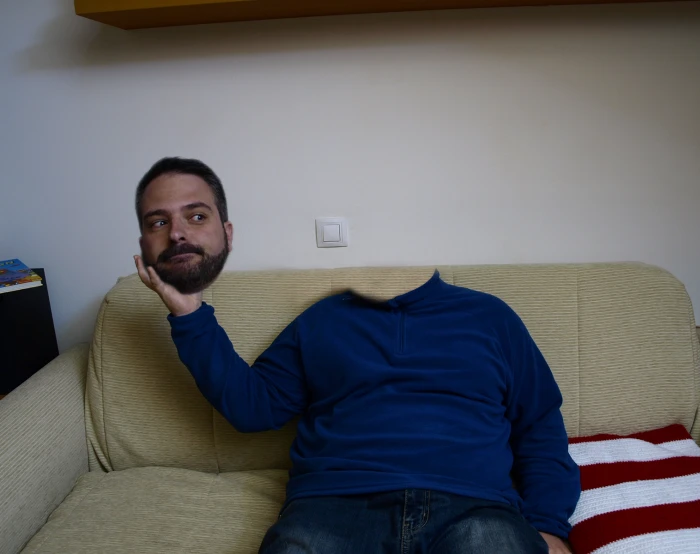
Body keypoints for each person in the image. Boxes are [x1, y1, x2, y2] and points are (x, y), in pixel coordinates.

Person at [134, 157, 580, 554]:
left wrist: (548, 525)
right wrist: (189, 313)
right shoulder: (321, 320)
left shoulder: (490, 316)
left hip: (475, 511)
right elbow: (253, 408)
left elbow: (539, 426)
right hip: (333, 510)